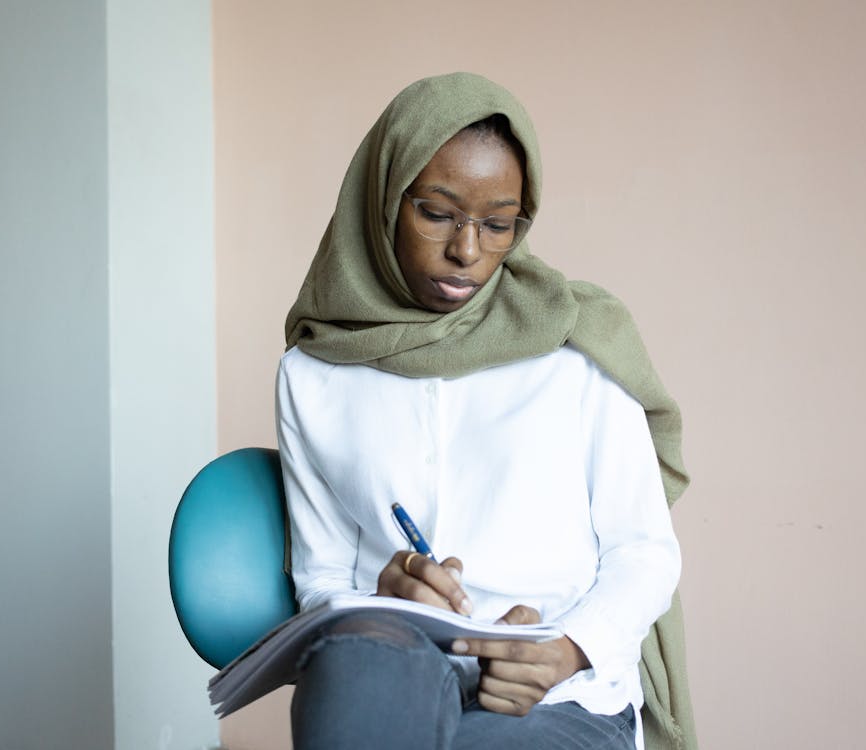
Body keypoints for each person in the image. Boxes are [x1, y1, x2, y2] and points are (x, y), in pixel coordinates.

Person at [276, 72, 695, 750]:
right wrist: (382, 594)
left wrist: (565, 650)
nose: (466, 251)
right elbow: (321, 578)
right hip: (397, 661)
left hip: (558, 690)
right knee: (359, 667)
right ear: (382, 200)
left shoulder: (576, 343)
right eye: (437, 214)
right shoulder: (314, 370)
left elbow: (642, 550)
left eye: (497, 225)